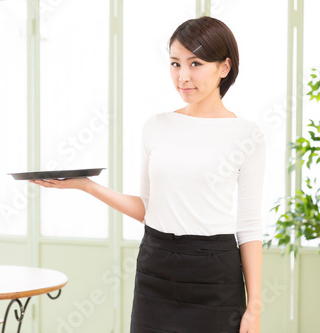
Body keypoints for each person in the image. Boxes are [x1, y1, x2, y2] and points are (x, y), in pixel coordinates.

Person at [30, 16, 265, 333]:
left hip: (215, 274)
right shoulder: (156, 126)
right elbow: (147, 207)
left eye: (195, 63)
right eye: (174, 63)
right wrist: (86, 186)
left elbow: (248, 227)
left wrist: (254, 307)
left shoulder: (246, 134)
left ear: (224, 67)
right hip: (156, 267)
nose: (183, 76)